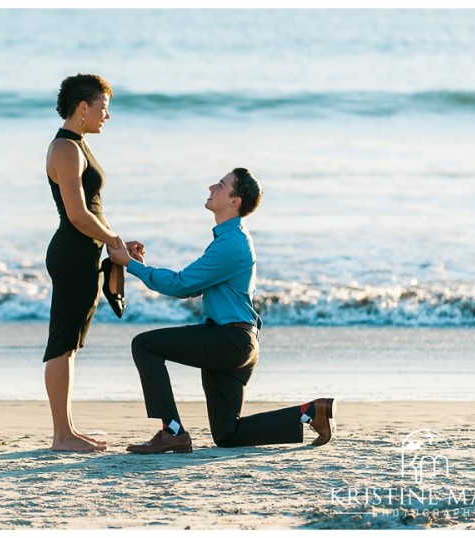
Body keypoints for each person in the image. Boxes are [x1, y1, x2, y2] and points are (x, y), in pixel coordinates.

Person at [106, 168, 335, 454]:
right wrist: (138, 264)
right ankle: (311, 412)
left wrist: (131, 264)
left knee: (145, 345)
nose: (212, 186)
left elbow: (181, 284)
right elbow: (190, 287)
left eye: (221, 185)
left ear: (234, 201)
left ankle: (172, 432)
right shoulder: (230, 239)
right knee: (227, 435)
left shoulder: (231, 243)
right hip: (235, 343)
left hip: (229, 341)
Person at [43, 73, 135, 452]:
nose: (106, 117)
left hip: (84, 252)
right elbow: (78, 214)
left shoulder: (78, 145)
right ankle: (61, 435)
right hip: (71, 252)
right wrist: (111, 239)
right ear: (83, 107)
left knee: (69, 346)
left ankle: (67, 431)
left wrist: (116, 242)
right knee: (61, 343)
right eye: (103, 108)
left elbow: (91, 212)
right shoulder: (65, 149)